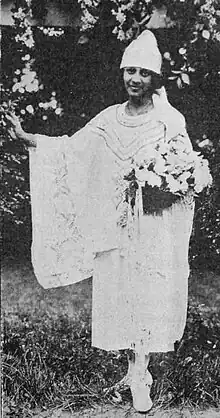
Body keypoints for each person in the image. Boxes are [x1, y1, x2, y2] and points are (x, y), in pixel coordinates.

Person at [6, 30, 195, 412]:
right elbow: (73, 150)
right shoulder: (110, 119)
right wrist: (31, 140)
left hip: (153, 227)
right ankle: (131, 368)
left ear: (155, 79)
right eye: (130, 72)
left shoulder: (169, 120)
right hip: (115, 227)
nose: (135, 80)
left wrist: (162, 187)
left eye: (143, 73)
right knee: (121, 296)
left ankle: (142, 374)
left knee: (148, 295)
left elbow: (187, 173)